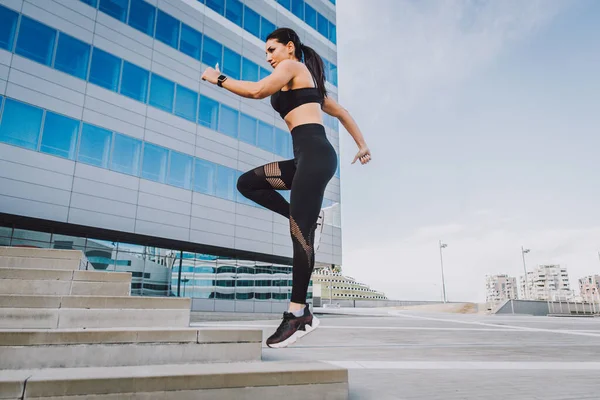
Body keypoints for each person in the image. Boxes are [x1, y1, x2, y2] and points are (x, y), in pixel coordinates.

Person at [201, 27, 370, 348]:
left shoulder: (291, 66)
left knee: (299, 236)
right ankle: (306, 219)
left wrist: (217, 79)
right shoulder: (307, 83)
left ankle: (298, 313)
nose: (268, 57)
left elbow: (256, 91)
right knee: (248, 183)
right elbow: (343, 112)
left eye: (271, 50)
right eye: (266, 53)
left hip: (317, 158)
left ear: (289, 48)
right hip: (305, 159)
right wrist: (361, 144)